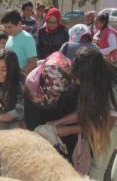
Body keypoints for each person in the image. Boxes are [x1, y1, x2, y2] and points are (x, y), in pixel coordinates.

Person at [49, 47, 117, 180]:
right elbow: (84, 111)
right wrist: (57, 123)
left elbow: (104, 127)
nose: (77, 81)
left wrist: (67, 130)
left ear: (91, 75)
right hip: (109, 122)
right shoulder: (95, 82)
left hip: (111, 124)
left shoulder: (113, 89)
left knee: (99, 168)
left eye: (80, 78)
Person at [24, 51, 78, 161]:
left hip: (67, 131)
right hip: (41, 132)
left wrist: (63, 128)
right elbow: (32, 122)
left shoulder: (72, 83)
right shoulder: (32, 88)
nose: (56, 94)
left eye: (60, 91)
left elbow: (79, 113)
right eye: (52, 89)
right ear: (44, 82)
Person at [1, 10, 37, 76]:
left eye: (10, 27)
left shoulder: (27, 38)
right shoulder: (11, 36)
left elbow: (33, 63)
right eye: (5, 27)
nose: (7, 30)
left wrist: (18, 76)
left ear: (19, 24)